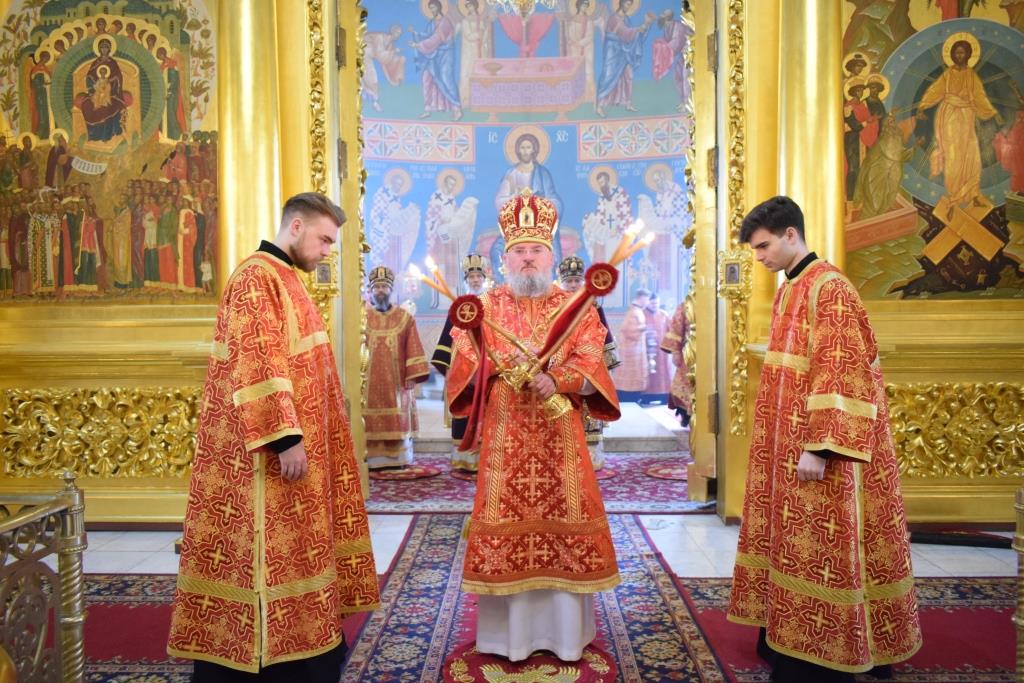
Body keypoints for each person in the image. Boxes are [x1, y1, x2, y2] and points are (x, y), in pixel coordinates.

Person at [167, 192, 380, 679]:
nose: (327, 251)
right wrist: (285, 437)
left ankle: (306, 646)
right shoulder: (256, 277)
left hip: (296, 451)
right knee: (267, 557)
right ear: (296, 227)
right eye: (324, 240)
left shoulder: (286, 277)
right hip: (267, 460)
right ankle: (268, 661)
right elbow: (257, 357)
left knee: (300, 552)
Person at [727, 196, 921, 682]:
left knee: (822, 549)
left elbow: (841, 370)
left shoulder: (830, 288)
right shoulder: (790, 287)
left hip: (821, 453)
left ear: (791, 235)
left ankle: (823, 652)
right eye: (755, 250)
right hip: (786, 448)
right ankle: (787, 636)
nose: (759, 257)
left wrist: (820, 446)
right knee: (792, 543)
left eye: (764, 246)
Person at [447, 190, 620, 662]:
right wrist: (489, 366)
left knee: (565, 521)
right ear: (504, 259)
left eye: (536, 251)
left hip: (559, 437)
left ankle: (565, 637)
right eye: (519, 251)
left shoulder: (578, 306)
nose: (527, 258)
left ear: (551, 257)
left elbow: (592, 359)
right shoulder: (482, 307)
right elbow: (464, 361)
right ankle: (506, 639)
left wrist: (559, 379)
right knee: (505, 520)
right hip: (505, 438)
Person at [364, 265, 430, 469]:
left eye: (384, 286)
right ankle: (372, 458)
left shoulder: (404, 317)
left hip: (397, 381)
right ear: (370, 290)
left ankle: (398, 458)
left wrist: (412, 375)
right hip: (368, 382)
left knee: (397, 414)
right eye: (377, 287)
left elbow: (413, 346)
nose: (380, 290)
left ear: (391, 289)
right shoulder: (361, 317)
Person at [558, 254, 620, 470]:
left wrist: (608, 367)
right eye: (569, 281)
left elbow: (605, 335)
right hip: (562, 366)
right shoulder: (554, 305)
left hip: (590, 365)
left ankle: (591, 459)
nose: (573, 285)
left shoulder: (593, 304)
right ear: (562, 282)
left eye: (577, 280)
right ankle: (564, 458)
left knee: (589, 409)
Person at [431, 253, 490, 471]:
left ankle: (486, 458)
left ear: (484, 279)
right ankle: (463, 459)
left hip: (487, 367)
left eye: (478, 276)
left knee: (487, 411)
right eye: (471, 277)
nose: (475, 280)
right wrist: (447, 368)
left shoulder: (493, 306)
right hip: (461, 369)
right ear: (466, 280)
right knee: (464, 410)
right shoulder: (459, 306)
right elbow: (448, 338)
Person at [612, 287, 648, 402]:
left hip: (636, 350)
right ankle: (629, 397)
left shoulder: (637, 310)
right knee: (629, 375)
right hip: (631, 351)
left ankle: (634, 397)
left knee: (635, 375)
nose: (647, 302)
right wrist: (643, 328)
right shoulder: (634, 312)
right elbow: (628, 330)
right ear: (642, 298)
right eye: (646, 299)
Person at [660, 301, 691, 426]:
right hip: (690, 353)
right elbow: (676, 328)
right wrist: (676, 351)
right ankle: (687, 416)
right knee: (686, 384)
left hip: (715, 353)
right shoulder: (687, 304)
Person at [639, 292, 670, 405]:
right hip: (647, 350)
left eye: (656, 303)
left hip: (662, 351)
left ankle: (664, 395)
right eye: (652, 303)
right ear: (648, 303)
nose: (654, 305)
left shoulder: (664, 315)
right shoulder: (642, 314)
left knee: (663, 372)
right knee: (649, 372)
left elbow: (671, 331)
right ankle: (647, 396)